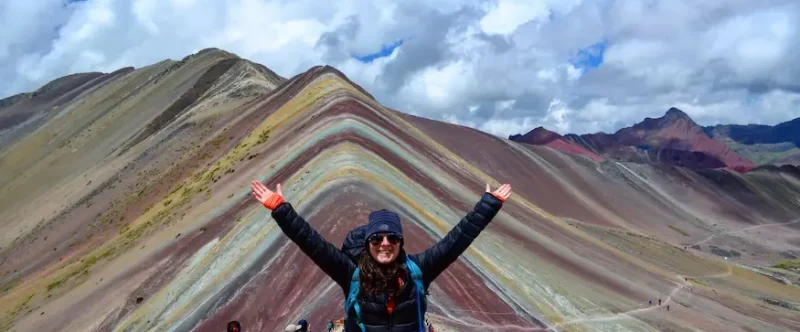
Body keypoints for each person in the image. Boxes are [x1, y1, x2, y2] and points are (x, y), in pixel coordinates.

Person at [251, 180, 511, 332]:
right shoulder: (350, 273)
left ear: (400, 242)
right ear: (368, 243)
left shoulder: (418, 270)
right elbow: (311, 242)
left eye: (392, 238)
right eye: (377, 238)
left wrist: (488, 206)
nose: (385, 244)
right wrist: (280, 209)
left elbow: (457, 240)